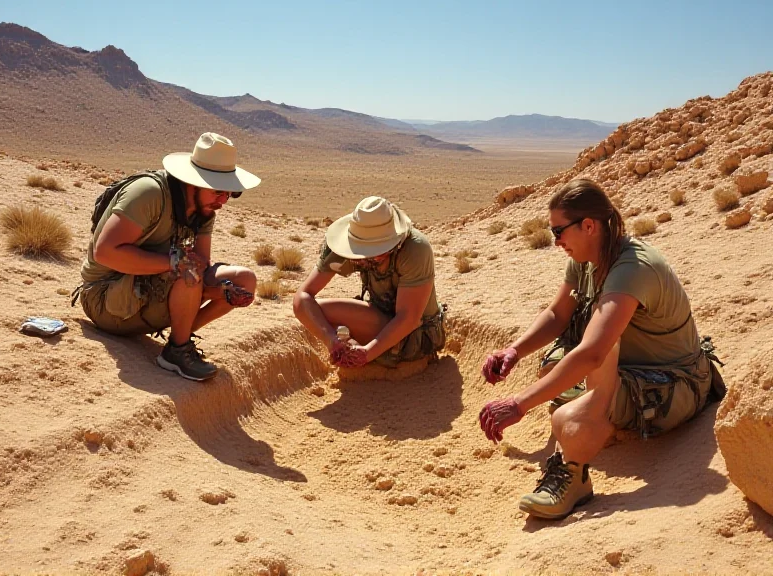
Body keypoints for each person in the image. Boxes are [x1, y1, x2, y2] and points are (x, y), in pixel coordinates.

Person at [478, 178, 724, 520]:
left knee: (578, 392)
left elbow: (594, 352)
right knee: (554, 366)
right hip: (632, 372)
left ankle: (572, 475)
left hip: (675, 384)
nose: (556, 241)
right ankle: (593, 414)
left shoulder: (633, 268)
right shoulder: (587, 257)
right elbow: (556, 313)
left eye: (559, 231)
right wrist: (514, 351)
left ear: (589, 226)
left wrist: (518, 405)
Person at [72, 132, 261, 381]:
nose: (223, 201)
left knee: (243, 279)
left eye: (230, 193)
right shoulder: (150, 193)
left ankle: (179, 336)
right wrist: (174, 262)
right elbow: (105, 252)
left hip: (149, 293)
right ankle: (177, 352)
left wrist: (222, 293)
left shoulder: (203, 210)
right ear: (193, 182)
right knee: (188, 269)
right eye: (218, 191)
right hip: (106, 300)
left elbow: (202, 266)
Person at [293, 196, 446, 370]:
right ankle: (357, 352)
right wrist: (331, 340)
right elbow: (303, 298)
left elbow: (408, 318)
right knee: (316, 311)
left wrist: (366, 354)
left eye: (375, 252)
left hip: (415, 338)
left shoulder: (415, 250)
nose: (364, 258)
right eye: (360, 251)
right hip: (380, 321)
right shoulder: (344, 246)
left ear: (394, 245)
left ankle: (378, 357)